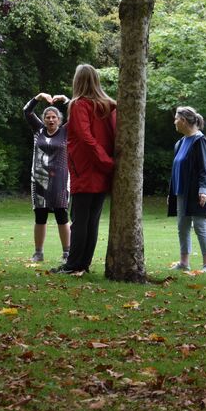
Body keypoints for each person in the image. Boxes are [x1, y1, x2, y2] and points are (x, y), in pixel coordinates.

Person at [51, 64, 116, 275]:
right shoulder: (109, 105)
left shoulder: (80, 105)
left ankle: (74, 265)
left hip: (87, 170)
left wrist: (105, 161)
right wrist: (108, 163)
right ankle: (82, 263)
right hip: (101, 171)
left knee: (80, 220)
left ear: (77, 81)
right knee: (91, 220)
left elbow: (86, 138)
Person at [23, 93, 70, 262]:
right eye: (48, 117)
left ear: (59, 119)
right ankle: (38, 253)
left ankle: (67, 253)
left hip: (60, 180)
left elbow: (78, 114)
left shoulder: (65, 131)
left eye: (54, 117)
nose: (51, 120)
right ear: (44, 119)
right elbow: (27, 111)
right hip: (39, 179)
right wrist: (38, 97)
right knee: (40, 216)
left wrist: (65, 99)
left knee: (61, 215)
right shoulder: (39, 130)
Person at [167, 106, 206, 272]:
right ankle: (184, 262)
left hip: (196, 192)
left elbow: (205, 169)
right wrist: (171, 193)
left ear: (183, 120)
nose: (174, 122)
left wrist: (203, 190)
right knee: (182, 226)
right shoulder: (179, 143)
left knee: (200, 225)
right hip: (181, 192)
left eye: (176, 118)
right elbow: (175, 170)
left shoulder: (199, 141)